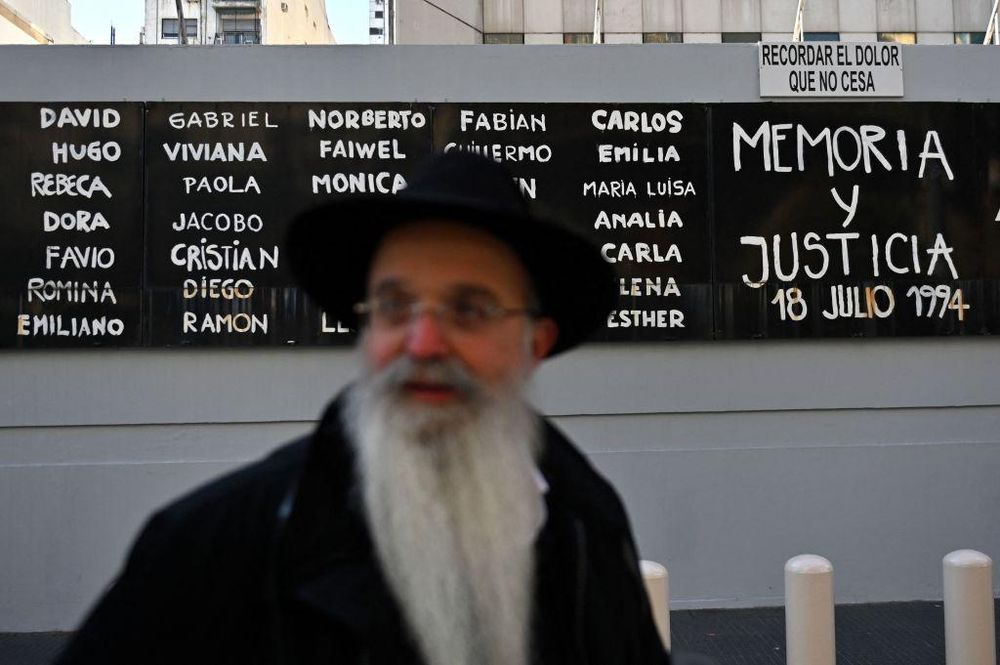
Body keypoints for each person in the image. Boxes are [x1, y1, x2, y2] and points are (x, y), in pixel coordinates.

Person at [56, 152, 670, 665]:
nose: (422, 345)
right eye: (394, 307)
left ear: (534, 344)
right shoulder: (213, 545)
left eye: (470, 309)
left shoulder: (588, 526)